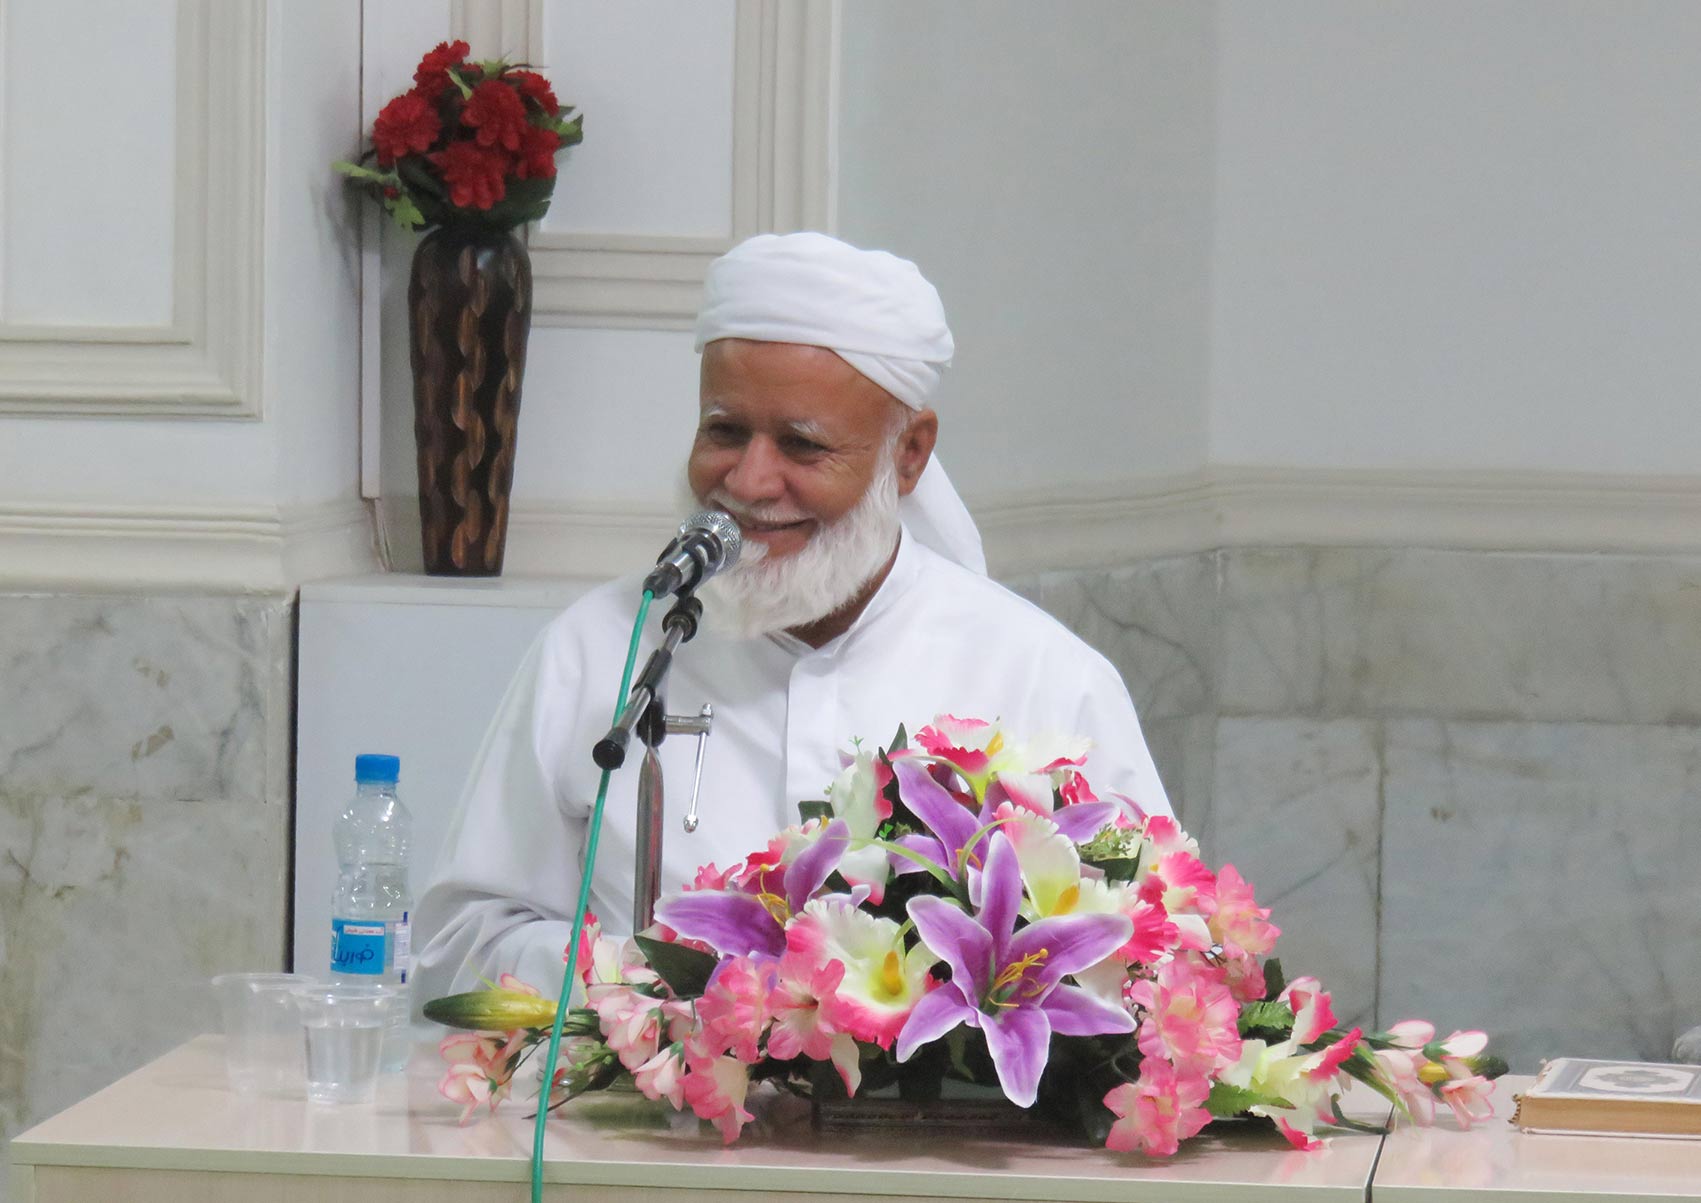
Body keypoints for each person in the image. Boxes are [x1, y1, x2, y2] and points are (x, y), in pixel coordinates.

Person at [413, 232, 1172, 1006]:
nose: (748, 482)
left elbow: (1158, 946)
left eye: (802, 445)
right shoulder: (598, 647)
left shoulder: (1041, 679)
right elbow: (458, 945)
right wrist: (653, 988)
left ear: (908, 454)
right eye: (724, 431)